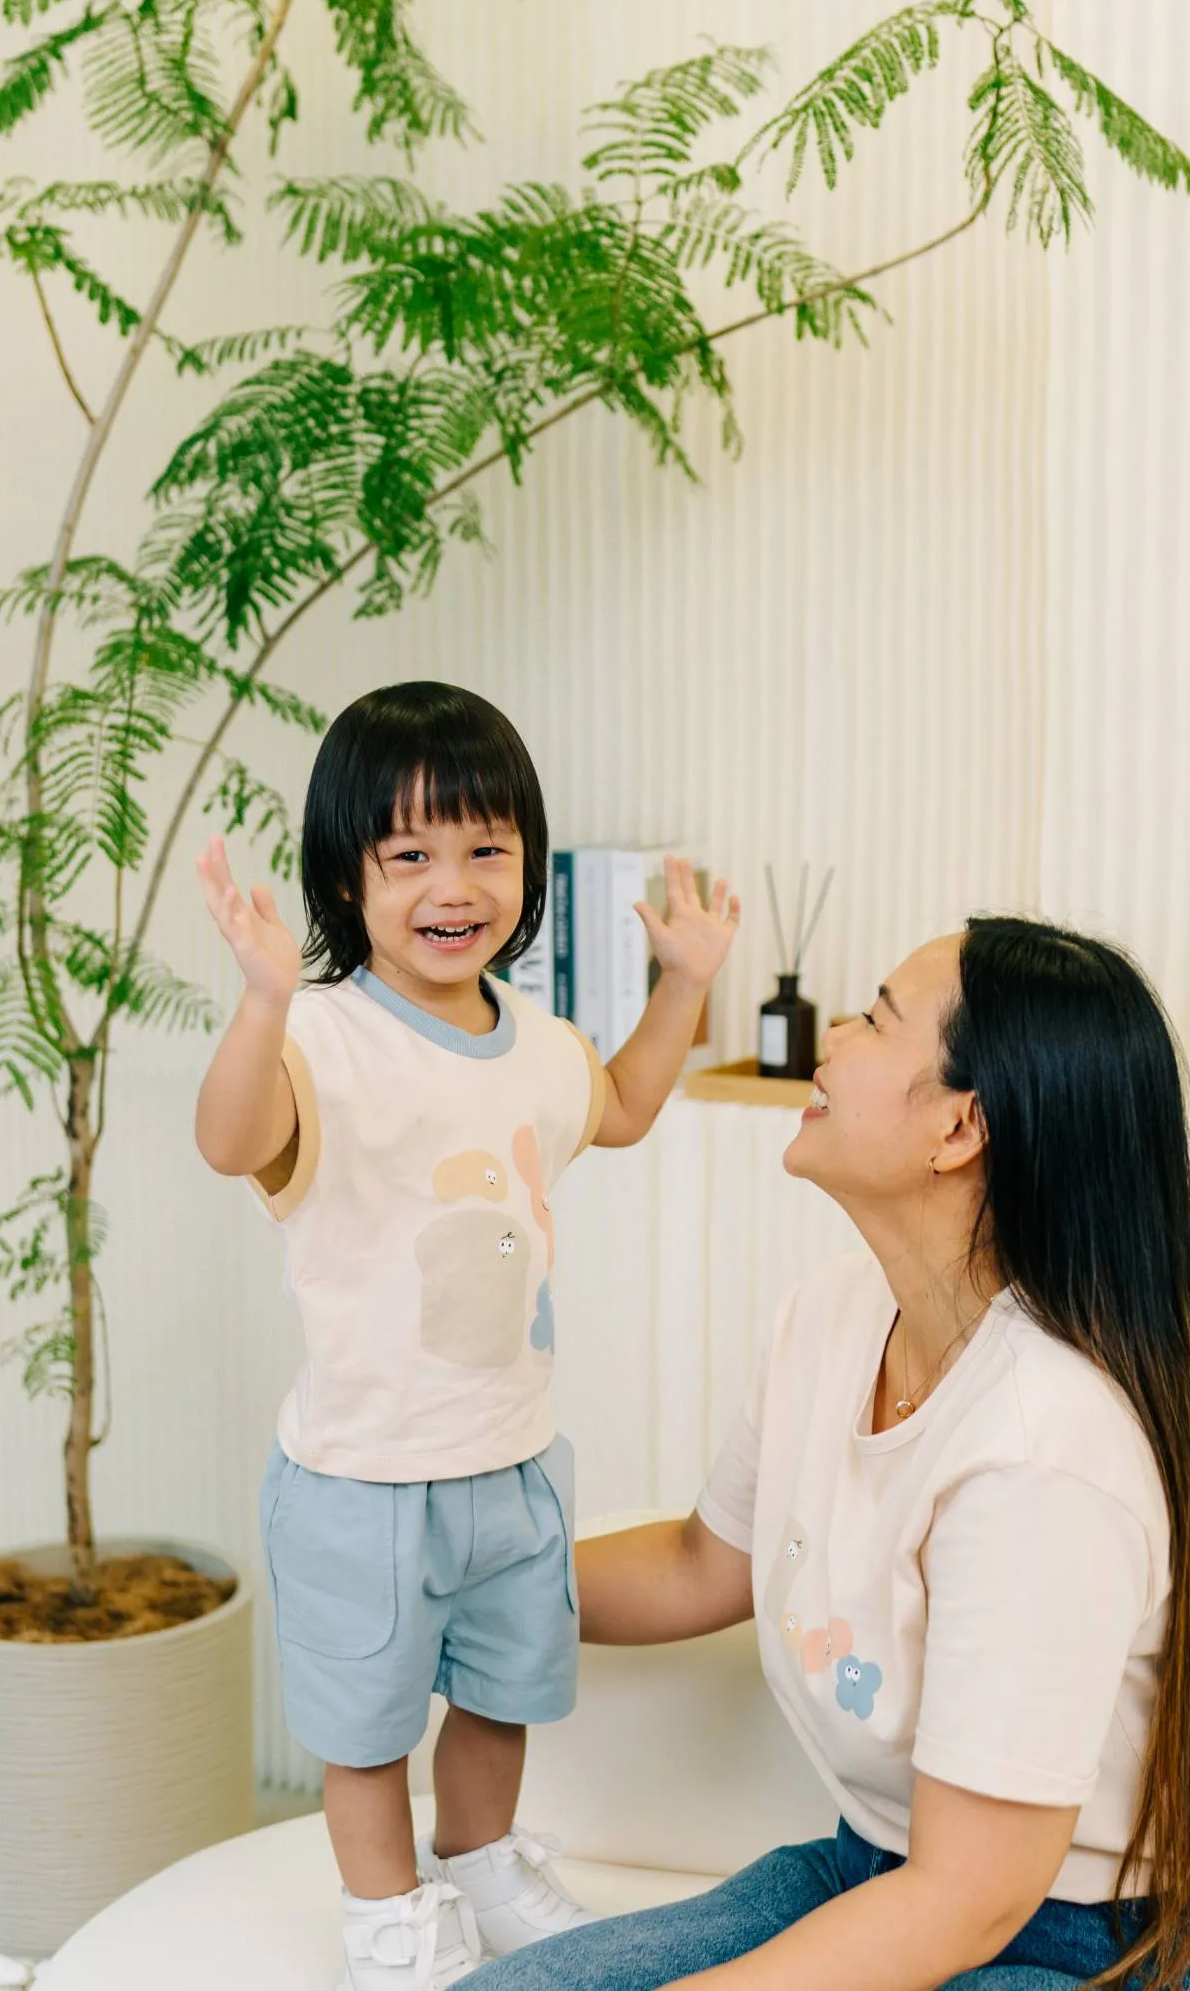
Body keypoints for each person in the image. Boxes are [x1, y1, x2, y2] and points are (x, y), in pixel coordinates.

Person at [469, 918, 1190, 1991]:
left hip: (1110, 1944)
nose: (832, 1030)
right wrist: (465, 1587)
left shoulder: (1042, 1446)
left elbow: (968, 1899)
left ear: (960, 1125)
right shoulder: (826, 1319)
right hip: (877, 1873)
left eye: (876, 1016)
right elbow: (704, 1561)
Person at [194, 681, 740, 1990]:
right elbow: (229, 1141)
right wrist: (264, 999)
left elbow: (618, 1111)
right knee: (368, 1732)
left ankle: (482, 1864)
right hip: (362, 1479)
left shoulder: (541, 1042)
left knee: (502, 1699)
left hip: (510, 1462)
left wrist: (682, 985)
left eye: (487, 848)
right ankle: (391, 1917)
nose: (456, 883)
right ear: (348, 881)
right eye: (411, 855)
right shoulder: (320, 1038)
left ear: (528, 865)